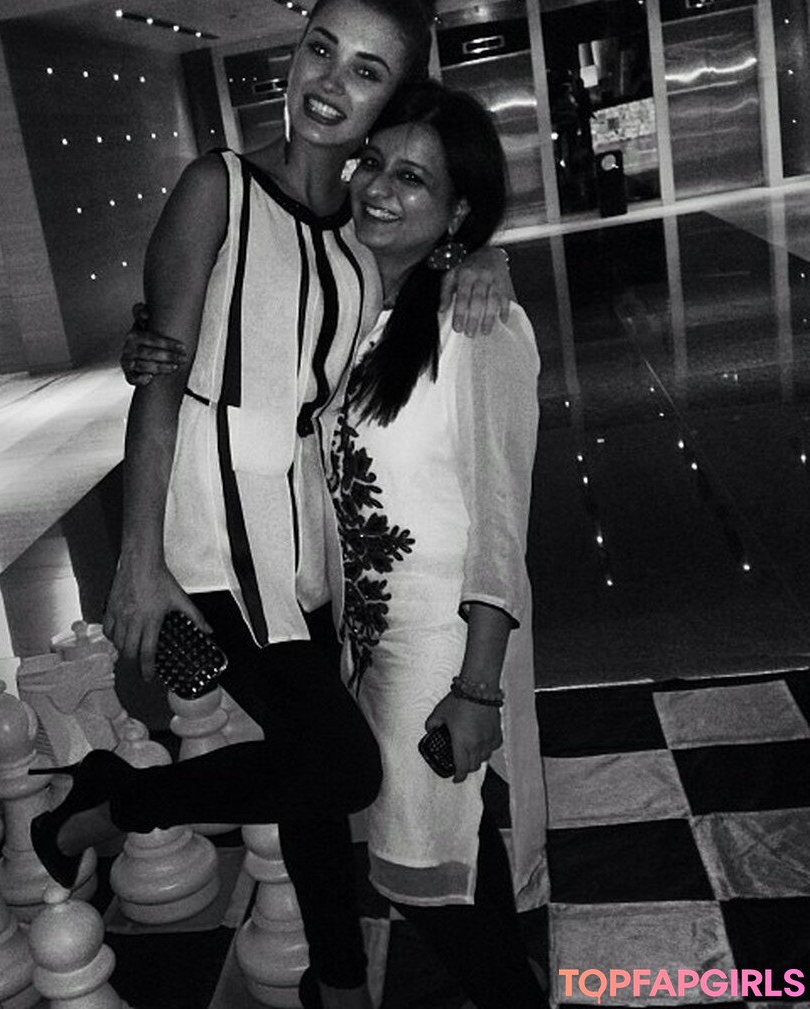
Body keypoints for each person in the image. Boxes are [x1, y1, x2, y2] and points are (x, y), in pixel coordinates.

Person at [32, 3, 513, 1008]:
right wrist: (138, 559)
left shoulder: (357, 239)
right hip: (203, 544)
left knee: (307, 770)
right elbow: (161, 376)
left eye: (368, 71)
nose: (331, 82)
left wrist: (485, 255)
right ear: (295, 57)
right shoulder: (219, 187)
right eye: (321, 50)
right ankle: (113, 803)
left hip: (307, 554)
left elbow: (427, 255)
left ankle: (334, 980)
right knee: (341, 764)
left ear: (392, 99)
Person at [326, 79, 548, 1007]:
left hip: (444, 651)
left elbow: (502, 525)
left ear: (458, 209)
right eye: (374, 162)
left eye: (413, 178)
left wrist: (477, 686)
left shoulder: (479, 324)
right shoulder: (352, 315)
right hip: (370, 645)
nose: (379, 188)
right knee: (449, 874)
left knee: (432, 869)